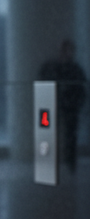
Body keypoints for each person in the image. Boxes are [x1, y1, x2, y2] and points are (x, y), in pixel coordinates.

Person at [38, 39, 87, 173]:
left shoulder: (74, 69)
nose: (67, 53)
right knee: (47, 133)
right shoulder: (52, 67)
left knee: (69, 135)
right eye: (66, 50)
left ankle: (69, 162)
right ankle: (48, 161)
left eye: (70, 50)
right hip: (53, 105)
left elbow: (81, 88)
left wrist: (77, 103)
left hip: (69, 106)